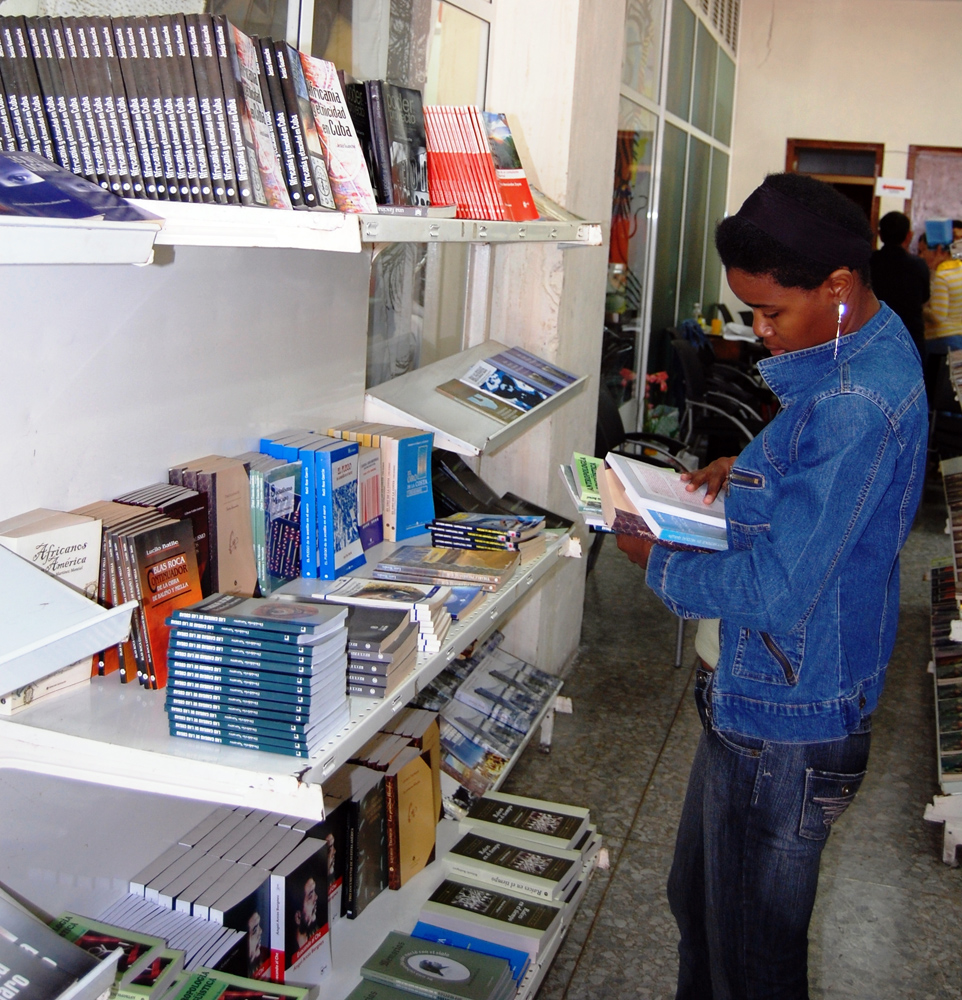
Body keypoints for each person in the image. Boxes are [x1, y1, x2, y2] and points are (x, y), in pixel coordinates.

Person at [617, 172, 926, 999]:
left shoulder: (858, 398)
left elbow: (780, 591)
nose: (758, 334)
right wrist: (748, 470)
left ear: (836, 286)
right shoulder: (863, 337)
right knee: (704, 907)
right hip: (769, 692)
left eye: (769, 314)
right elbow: (820, 480)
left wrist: (654, 557)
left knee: (751, 958)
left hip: (787, 720)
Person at [869, 210, 929, 357]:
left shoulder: (868, 261)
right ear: (909, 235)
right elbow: (925, 297)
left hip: (872, 333)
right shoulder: (918, 265)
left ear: (879, 234)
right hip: (909, 335)